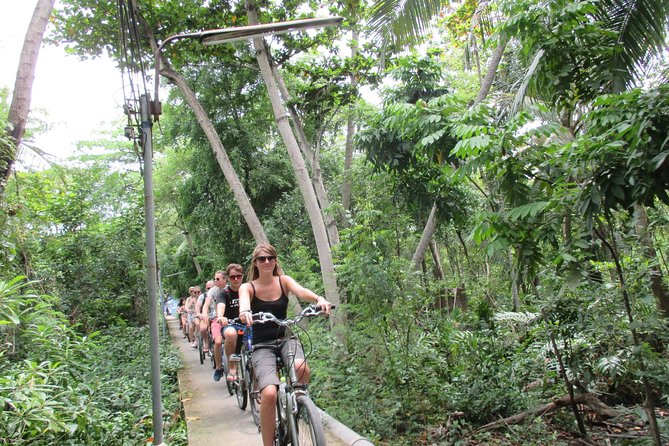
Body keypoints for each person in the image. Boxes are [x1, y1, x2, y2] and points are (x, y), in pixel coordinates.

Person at [239, 243, 331, 446]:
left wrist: (319, 298)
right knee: (269, 393)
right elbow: (244, 301)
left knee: (302, 368)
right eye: (262, 259)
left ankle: (298, 405)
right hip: (262, 345)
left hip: (285, 338)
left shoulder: (283, 281)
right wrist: (245, 312)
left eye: (270, 258)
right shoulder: (249, 287)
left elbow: (301, 291)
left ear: (275, 261)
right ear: (255, 263)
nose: (266, 262)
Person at [210, 263, 244, 382]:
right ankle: (232, 367)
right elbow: (220, 306)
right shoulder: (224, 293)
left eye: (238, 276)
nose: (236, 279)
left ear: (242, 277)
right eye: (233, 277)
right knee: (230, 334)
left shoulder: (247, 290)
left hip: (247, 323)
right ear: (228, 278)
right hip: (231, 324)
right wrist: (220, 316)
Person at [205, 270, 227, 380]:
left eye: (217, 279)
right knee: (218, 342)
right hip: (216, 319)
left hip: (231, 319)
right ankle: (218, 367)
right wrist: (204, 314)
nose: (215, 281)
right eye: (214, 279)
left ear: (224, 280)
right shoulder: (213, 291)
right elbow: (206, 304)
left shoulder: (230, 289)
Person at [196, 282, 214, 354]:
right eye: (208, 288)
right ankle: (206, 342)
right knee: (203, 328)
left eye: (211, 288)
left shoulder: (219, 293)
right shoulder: (202, 296)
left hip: (217, 317)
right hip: (205, 317)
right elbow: (198, 306)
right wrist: (198, 314)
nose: (209, 290)